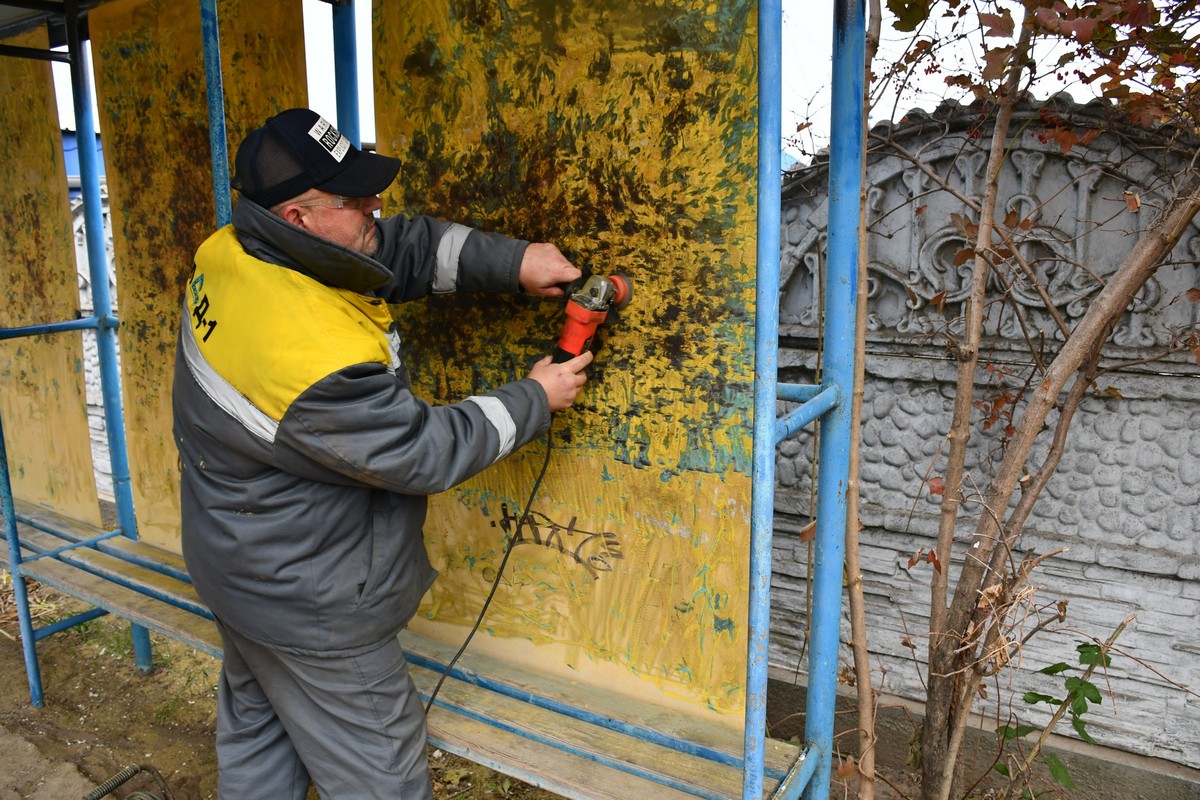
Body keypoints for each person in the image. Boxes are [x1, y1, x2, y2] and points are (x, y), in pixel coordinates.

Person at [172, 107, 593, 800]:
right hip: (310, 601)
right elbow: (420, 450)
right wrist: (534, 398)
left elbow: (390, 248)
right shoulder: (305, 356)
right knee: (380, 778)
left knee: (260, 737)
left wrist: (514, 261)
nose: (376, 207)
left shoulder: (239, 250)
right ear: (301, 216)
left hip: (239, 565)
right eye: (354, 198)